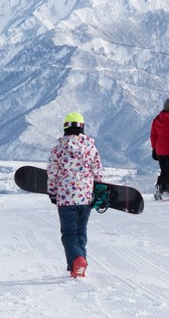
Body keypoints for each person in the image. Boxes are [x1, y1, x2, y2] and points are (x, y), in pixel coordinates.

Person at [47, 112, 106, 278]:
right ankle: (78, 268)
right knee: (81, 233)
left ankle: (77, 261)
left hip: (66, 198)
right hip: (86, 197)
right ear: (82, 128)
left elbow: (52, 173)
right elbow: (98, 172)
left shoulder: (58, 149)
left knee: (69, 234)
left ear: (65, 127)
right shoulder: (90, 147)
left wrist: (52, 192)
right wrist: (96, 189)